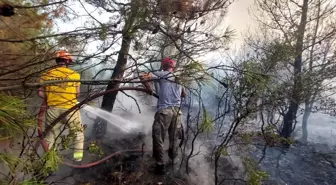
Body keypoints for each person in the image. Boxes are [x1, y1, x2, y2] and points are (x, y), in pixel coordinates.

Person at [140, 57, 187, 175]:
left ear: (164, 65)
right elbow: (184, 94)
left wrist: (149, 89)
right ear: (173, 67)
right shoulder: (179, 77)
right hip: (177, 113)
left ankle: (160, 166)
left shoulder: (162, 74)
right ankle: (173, 162)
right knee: (174, 138)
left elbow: (143, 76)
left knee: (158, 137)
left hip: (164, 111)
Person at [38, 50, 84, 162]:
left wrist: (50, 97)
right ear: (68, 61)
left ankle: (48, 161)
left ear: (57, 60)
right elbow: (77, 94)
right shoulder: (74, 75)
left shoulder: (46, 75)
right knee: (77, 133)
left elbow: (40, 92)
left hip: (52, 110)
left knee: (51, 136)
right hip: (70, 109)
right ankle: (78, 159)